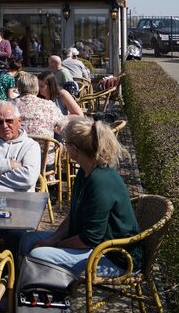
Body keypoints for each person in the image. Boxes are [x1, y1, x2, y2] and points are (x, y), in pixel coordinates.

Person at [20, 116, 142, 277]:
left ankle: (41, 293)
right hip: (95, 246)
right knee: (28, 239)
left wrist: (55, 245)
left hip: (115, 258)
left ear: (74, 148)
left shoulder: (100, 182)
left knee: (37, 256)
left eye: (65, 144)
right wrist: (52, 240)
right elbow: (74, 215)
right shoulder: (85, 171)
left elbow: (88, 239)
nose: (64, 148)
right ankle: (20, 288)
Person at [15, 71, 65, 140]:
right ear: (37, 88)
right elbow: (62, 127)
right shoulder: (49, 105)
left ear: (19, 89)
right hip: (45, 149)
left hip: (17, 148)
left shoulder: (9, 106)